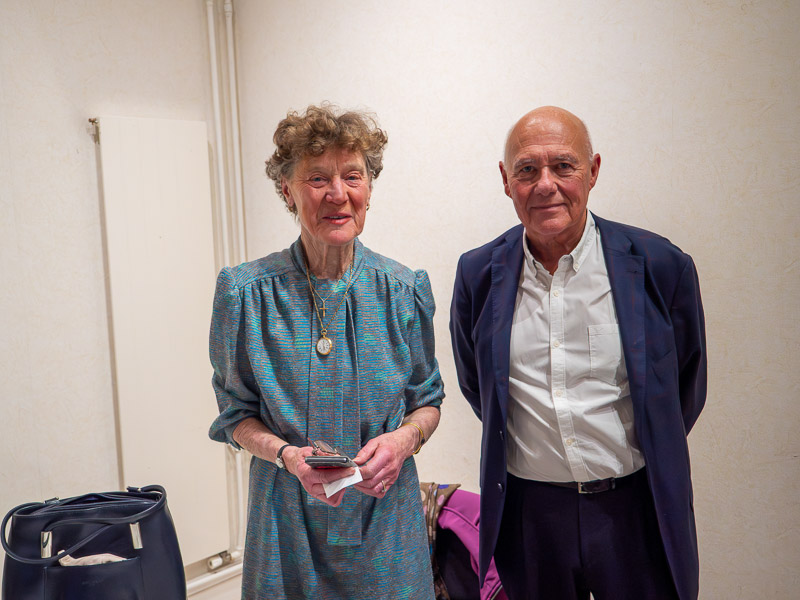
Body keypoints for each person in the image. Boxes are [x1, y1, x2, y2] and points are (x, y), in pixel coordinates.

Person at [449, 106, 707, 600]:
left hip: (634, 512)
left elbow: (683, 388)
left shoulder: (660, 265)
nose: (545, 184)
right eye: (527, 169)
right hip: (530, 518)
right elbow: (478, 386)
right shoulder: (478, 274)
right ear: (506, 180)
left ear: (593, 171)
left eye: (563, 166)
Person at [209, 104, 444, 599]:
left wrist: (404, 441)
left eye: (352, 176)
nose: (338, 194)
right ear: (287, 190)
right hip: (285, 531)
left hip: (386, 529)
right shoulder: (246, 295)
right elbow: (235, 415)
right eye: (317, 178)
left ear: (369, 188)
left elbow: (427, 402)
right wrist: (287, 456)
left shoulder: (404, 291)